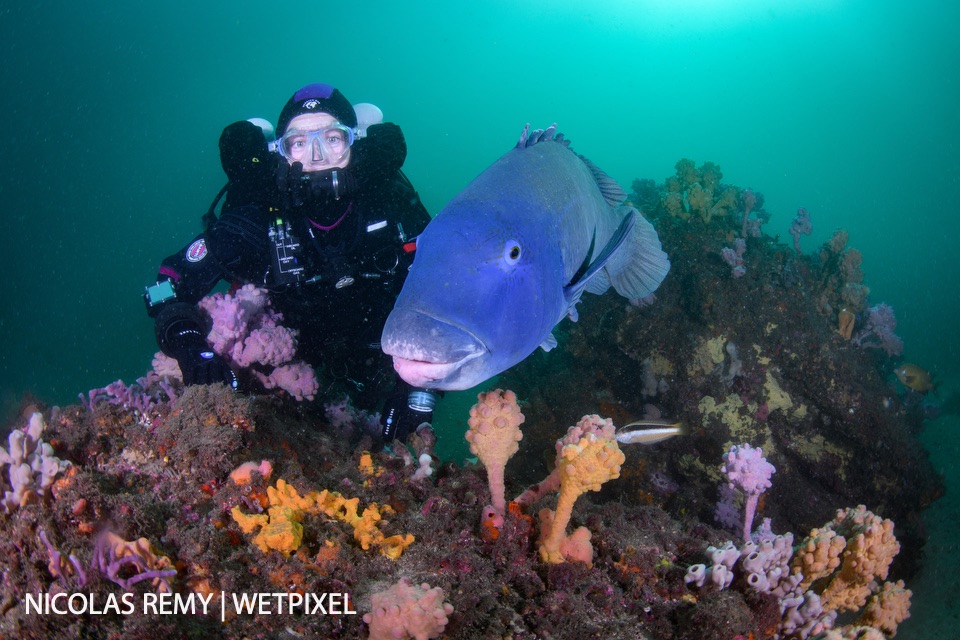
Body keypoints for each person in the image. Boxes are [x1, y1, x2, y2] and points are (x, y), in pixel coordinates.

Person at [143, 83, 435, 442]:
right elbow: (165, 285)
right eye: (298, 142)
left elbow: (448, 289)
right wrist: (190, 346)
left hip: (380, 363)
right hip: (284, 380)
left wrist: (420, 389)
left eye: (332, 138)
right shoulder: (258, 216)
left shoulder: (389, 204)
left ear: (353, 143)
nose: (315, 156)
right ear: (280, 153)